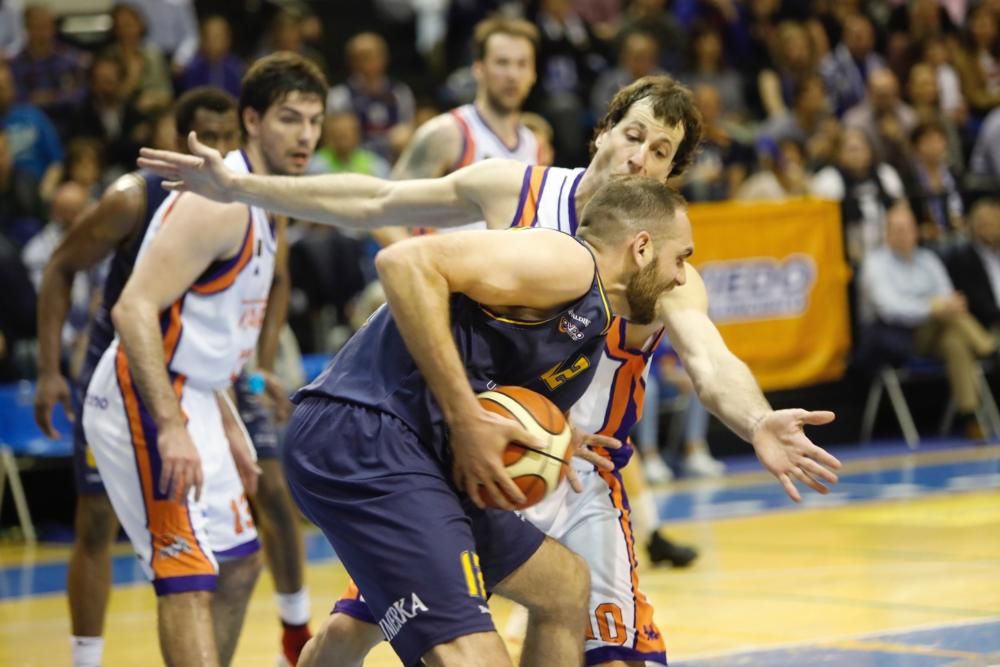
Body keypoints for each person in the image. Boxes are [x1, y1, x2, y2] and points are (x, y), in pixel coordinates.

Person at [139, 75, 843, 667]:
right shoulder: (520, 195)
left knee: (579, 616)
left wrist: (755, 418)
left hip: (573, 471)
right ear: (602, 132)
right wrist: (243, 189)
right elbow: (377, 205)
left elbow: (711, 360)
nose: (639, 158)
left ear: (669, 174)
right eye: (633, 134)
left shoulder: (662, 263)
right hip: (461, 442)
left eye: (660, 152)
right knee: (362, 625)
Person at [35, 86, 316, 667]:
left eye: (222, 140)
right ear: (177, 141)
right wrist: (48, 370)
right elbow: (73, 274)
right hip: (132, 370)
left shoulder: (257, 202)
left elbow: (244, 305)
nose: (213, 151)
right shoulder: (134, 199)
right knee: (107, 527)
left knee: (245, 547)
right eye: (202, 139)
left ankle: (292, 631)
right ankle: (84, 658)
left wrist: (248, 387)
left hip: (202, 379)